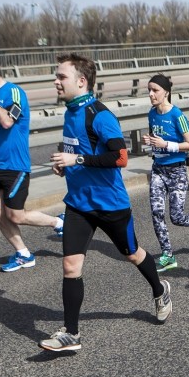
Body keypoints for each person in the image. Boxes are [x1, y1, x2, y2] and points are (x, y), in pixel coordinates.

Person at [41, 53, 172, 352]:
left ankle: (159, 289)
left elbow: (120, 157)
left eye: (61, 77)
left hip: (110, 205)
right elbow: (79, 151)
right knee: (71, 266)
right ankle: (71, 334)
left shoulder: (99, 115)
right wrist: (66, 164)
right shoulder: (69, 114)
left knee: (132, 254)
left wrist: (78, 159)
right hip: (78, 204)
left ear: (81, 81)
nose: (56, 81)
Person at [0, 55, 64, 272]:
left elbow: (7, 121)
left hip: (13, 165)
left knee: (16, 215)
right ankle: (23, 254)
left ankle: (58, 223)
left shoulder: (13, 92)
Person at [143, 74, 189, 273]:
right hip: (158, 169)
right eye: (149, 90)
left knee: (176, 216)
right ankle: (168, 255)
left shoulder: (178, 116)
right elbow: (156, 138)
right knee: (157, 213)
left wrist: (166, 144)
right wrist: (150, 141)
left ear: (166, 92)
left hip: (177, 171)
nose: (151, 94)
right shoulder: (151, 113)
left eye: (155, 90)